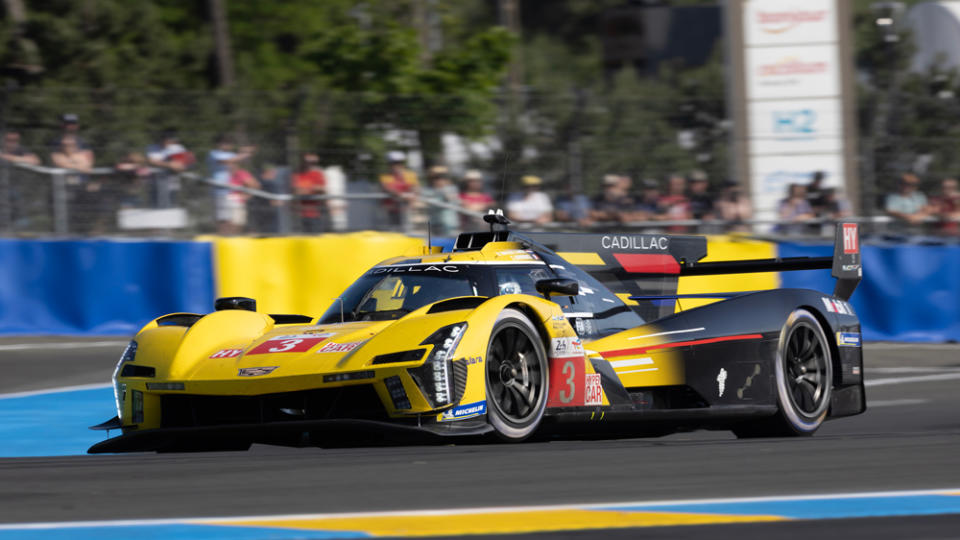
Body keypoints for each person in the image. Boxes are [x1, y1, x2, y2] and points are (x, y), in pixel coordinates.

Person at [207, 135, 255, 234]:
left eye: (229, 142)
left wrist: (247, 151)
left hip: (230, 191)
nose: (227, 145)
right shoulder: (214, 153)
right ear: (218, 144)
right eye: (225, 142)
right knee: (223, 219)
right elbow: (227, 161)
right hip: (219, 190)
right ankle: (223, 237)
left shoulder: (231, 154)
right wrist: (244, 154)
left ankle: (230, 237)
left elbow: (240, 161)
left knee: (232, 219)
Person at [145, 131, 194, 208]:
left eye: (169, 140)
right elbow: (152, 162)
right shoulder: (152, 148)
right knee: (156, 205)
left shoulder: (178, 148)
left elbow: (188, 161)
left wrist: (181, 166)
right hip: (156, 182)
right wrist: (169, 164)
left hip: (172, 180)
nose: (167, 143)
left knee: (173, 203)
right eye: (165, 140)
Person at [379, 150, 420, 230]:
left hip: (406, 208)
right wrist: (402, 195)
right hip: (391, 209)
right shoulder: (385, 176)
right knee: (393, 231)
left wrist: (409, 194)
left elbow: (415, 188)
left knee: (407, 230)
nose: (396, 165)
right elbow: (387, 188)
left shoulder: (410, 175)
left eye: (399, 163)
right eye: (393, 163)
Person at [293, 153, 328, 233]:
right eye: (308, 161)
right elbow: (296, 191)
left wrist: (306, 190)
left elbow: (322, 189)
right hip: (299, 214)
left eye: (313, 162)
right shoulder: (296, 175)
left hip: (315, 214)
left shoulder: (317, 174)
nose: (310, 164)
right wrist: (313, 189)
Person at [422, 165, 460, 236]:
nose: (440, 180)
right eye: (436, 178)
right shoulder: (427, 191)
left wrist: (446, 194)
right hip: (435, 223)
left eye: (442, 177)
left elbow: (455, 202)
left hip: (450, 224)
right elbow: (431, 204)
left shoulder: (452, 189)